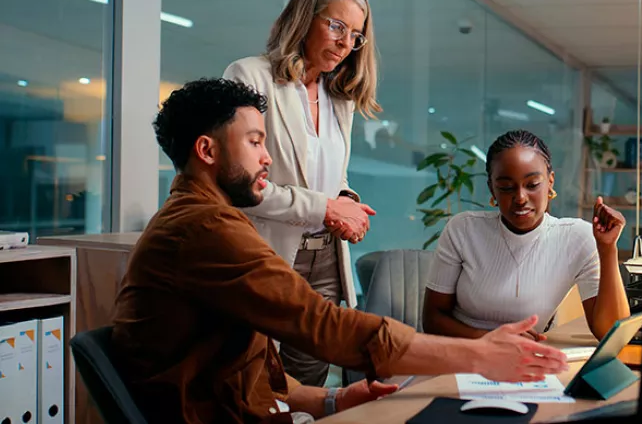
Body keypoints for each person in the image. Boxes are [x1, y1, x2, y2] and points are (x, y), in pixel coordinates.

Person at [111, 78, 567, 423]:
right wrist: (480, 356)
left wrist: (330, 398)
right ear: (207, 150)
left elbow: (241, 369)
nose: (267, 156)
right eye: (254, 141)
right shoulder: (203, 228)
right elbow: (321, 324)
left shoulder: (205, 219)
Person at [223, 0, 377, 387]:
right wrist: (326, 206)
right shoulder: (250, 77)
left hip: (326, 256)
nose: (346, 43)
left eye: (356, 35)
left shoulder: (338, 97)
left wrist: (345, 201)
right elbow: (240, 185)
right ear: (305, 18)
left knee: (310, 379)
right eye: (337, 26)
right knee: (259, 378)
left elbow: (331, 176)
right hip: (268, 251)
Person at [423, 130, 631, 342]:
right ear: (492, 189)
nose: (520, 198)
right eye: (506, 187)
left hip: (523, 362)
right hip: (460, 355)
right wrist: (490, 340)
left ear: (550, 182)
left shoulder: (577, 238)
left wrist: (607, 250)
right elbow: (432, 319)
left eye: (532, 185)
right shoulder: (464, 229)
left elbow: (611, 334)